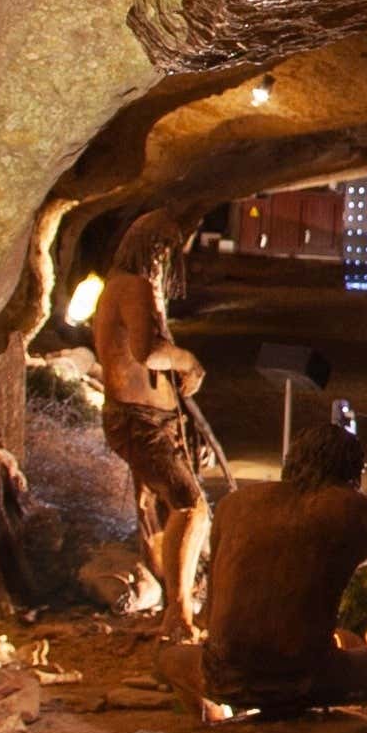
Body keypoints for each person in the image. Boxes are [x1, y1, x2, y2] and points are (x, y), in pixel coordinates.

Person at [193, 409, 367, 717]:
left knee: (166, 658)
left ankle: (208, 716)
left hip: (220, 677)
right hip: (306, 681)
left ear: (292, 461)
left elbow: (213, 613)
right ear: (356, 471)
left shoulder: (232, 505)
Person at [87, 263, 223, 638]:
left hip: (150, 420)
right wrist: (189, 363)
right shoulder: (133, 286)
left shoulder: (127, 286)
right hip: (141, 422)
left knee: (154, 507)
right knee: (190, 507)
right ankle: (178, 617)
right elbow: (148, 352)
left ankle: (173, 599)